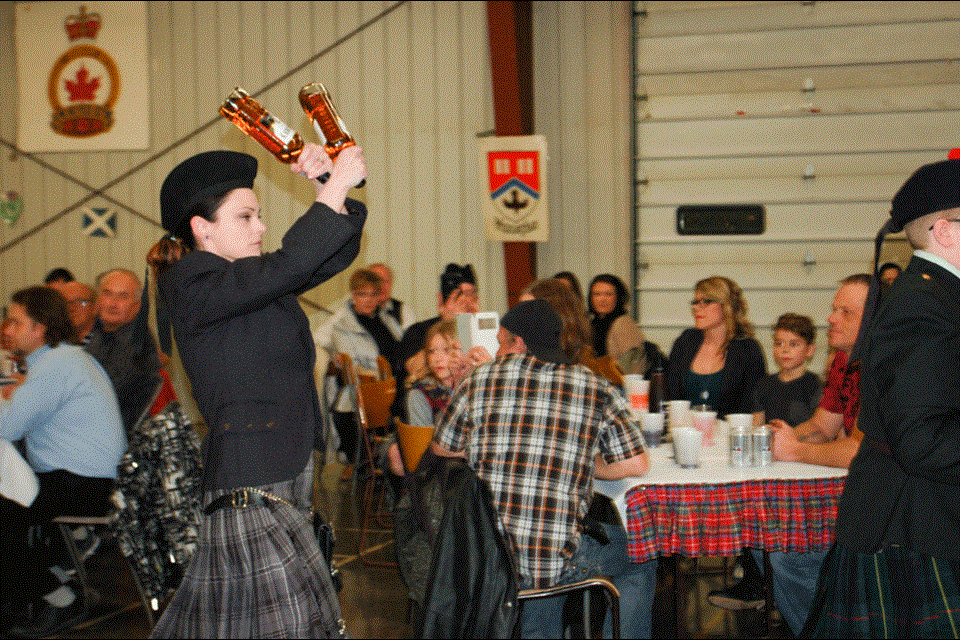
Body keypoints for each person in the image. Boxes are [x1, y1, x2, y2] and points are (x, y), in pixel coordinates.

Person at [145, 142, 365, 638]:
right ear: (202, 229)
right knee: (292, 627)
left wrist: (327, 188)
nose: (261, 227)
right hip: (252, 479)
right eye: (246, 217)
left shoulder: (249, 281)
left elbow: (324, 256)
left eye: (260, 215)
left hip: (281, 474)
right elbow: (292, 261)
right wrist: (331, 193)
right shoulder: (191, 282)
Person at [432, 299, 656, 638]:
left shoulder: (480, 379)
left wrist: (489, 446)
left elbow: (441, 446)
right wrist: (584, 464)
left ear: (519, 343)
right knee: (641, 553)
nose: (496, 347)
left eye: (501, 339)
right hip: (552, 559)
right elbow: (638, 463)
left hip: (485, 557)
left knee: (542, 538)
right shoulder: (594, 386)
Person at [808, 159, 960, 637]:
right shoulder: (922, 307)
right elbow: (922, 440)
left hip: (923, 519)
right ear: (944, 230)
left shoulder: (938, 298)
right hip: (912, 527)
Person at [710, 275, 868, 631]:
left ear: (872, 320)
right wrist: (777, 438)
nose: (831, 318)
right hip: (851, 487)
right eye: (833, 309)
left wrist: (794, 449)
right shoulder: (842, 359)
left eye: (845, 312)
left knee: (785, 555)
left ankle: (820, 629)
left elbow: (861, 451)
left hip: (878, 504)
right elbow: (822, 426)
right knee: (761, 528)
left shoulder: (882, 364)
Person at [0, 286, 125, 638]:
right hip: (84, 478)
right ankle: (52, 584)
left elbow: (8, 425)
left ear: (38, 328)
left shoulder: (56, 364)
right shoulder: (61, 359)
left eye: (15, 320)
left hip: (82, 484)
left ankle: (59, 598)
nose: (8, 328)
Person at [316, 267, 404, 461]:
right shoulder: (342, 327)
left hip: (396, 385)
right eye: (362, 294)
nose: (368, 300)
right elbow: (354, 368)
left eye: (373, 294)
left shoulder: (387, 319)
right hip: (372, 392)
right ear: (353, 295)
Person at [666, 276, 766, 417]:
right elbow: (672, 397)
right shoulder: (685, 342)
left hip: (729, 435)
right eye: (695, 302)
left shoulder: (748, 350)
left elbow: (755, 409)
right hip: (687, 434)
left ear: (726, 305)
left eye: (706, 301)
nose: (696, 308)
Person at [84, 269, 165, 436]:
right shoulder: (99, 331)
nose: (112, 303)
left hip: (120, 439)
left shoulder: (138, 344)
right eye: (107, 294)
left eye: (123, 297)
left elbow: (101, 396)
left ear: (138, 306)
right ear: (98, 300)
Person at [399, 263, 478, 379]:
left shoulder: (481, 331)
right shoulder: (419, 331)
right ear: (441, 301)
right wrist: (450, 325)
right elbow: (414, 369)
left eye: (472, 294)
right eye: (459, 295)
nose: (467, 302)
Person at [751, 313, 822, 427]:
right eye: (779, 343)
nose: (785, 350)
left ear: (809, 350)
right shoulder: (764, 385)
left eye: (794, 344)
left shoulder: (816, 386)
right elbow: (757, 425)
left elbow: (820, 429)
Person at [587, 273, 651, 376]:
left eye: (608, 294)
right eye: (597, 294)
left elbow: (634, 369)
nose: (602, 299)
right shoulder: (592, 323)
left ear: (618, 297)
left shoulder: (623, 324)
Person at [46, 280, 98, 345]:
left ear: (95, 307)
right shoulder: (54, 342)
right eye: (65, 303)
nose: (71, 308)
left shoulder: (108, 342)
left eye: (79, 301)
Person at [369, 262, 414, 333]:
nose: (382, 286)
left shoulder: (403, 311)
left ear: (391, 284)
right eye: (377, 281)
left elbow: (409, 341)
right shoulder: (353, 310)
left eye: (386, 281)